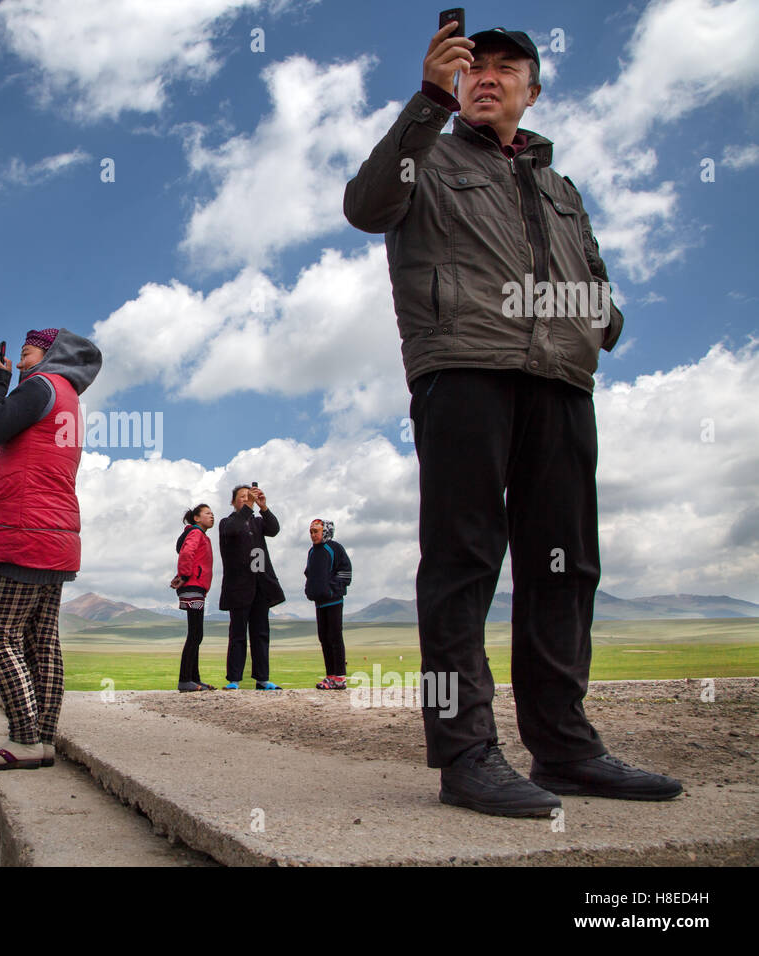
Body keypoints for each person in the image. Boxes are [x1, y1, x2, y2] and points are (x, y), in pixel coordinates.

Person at [343, 22, 681, 815]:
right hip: (463, 368)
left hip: (562, 380)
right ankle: (465, 755)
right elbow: (366, 206)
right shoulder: (424, 149)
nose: (487, 76)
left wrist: (600, 321)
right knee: (461, 560)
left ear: (534, 88)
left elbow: (595, 280)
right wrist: (426, 99)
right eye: (473, 66)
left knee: (567, 566)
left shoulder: (562, 187)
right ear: (455, 83)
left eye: (507, 67)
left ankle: (565, 748)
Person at [0, 327, 102, 772]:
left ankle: (24, 737)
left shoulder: (41, 385)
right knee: (41, 640)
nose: (23, 355)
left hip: (26, 530)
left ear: (50, 353)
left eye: (31, 349)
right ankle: (42, 740)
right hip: (55, 533)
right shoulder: (69, 398)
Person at [218, 485, 285, 690]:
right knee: (238, 634)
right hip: (238, 588)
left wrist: (263, 507)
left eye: (250, 497)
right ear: (233, 502)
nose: (247, 500)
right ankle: (234, 680)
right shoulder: (227, 522)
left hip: (260, 587)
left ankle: (262, 679)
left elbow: (274, 529)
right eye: (242, 497)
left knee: (261, 633)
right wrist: (248, 506)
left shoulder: (257, 522)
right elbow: (234, 529)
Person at [172, 504, 216, 692]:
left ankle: (194, 679)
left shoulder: (200, 534)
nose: (212, 516)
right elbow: (187, 553)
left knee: (196, 633)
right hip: (192, 585)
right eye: (207, 513)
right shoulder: (196, 533)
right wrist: (184, 574)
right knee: (195, 634)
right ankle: (185, 680)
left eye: (212, 513)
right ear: (197, 518)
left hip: (195, 586)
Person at [304, 519, 352, 690]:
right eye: (311, 531)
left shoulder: (334, 548)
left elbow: (346, 571)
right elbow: (309, 573)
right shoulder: (312, 552)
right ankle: (330, 676)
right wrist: (311, 589)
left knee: (335, 637)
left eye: (316, 531)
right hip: (319, 602)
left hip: (334, 600)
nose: (313, 535)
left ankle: (340, 677)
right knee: (324, 638)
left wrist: (332, 589)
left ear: (325, 531)